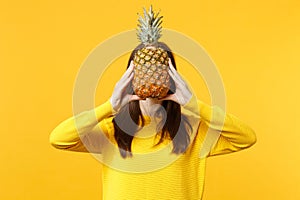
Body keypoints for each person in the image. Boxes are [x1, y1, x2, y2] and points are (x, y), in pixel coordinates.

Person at [49, 42, 257, 200]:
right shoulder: (111, 129)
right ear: (129, 77)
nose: (152, 75)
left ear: (172, 76)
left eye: (160, 69)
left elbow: (246, 137)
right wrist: (109, 106)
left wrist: (195, 105)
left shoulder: (193, 128)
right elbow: (59, 138)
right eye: (144, 68)